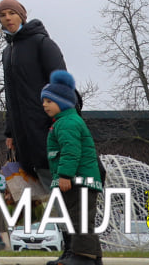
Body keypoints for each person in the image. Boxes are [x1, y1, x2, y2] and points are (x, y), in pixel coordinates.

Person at [0, 0, 68, 180]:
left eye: (12, 13)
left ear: (22, 16)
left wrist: (61, 122)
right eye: (2, 15)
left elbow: (61, 85)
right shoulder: (7, 53)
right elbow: (10, 96)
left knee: (67, 191)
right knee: (45, 184)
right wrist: (10, 132)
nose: (7, 18)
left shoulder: (41, 43)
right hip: (24, 135)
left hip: (48, 127)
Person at [41, 70, 103, 265]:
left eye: (49, 101)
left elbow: (71, 151)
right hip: (79, 181)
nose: (44, 105)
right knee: (80, 218)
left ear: (63, 102)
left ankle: (82, 257)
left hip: (78, 181)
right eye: (43, 101)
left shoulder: (67, 123)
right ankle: (93, 258)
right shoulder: (63, 122)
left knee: (80, 219)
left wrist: (65, 175)